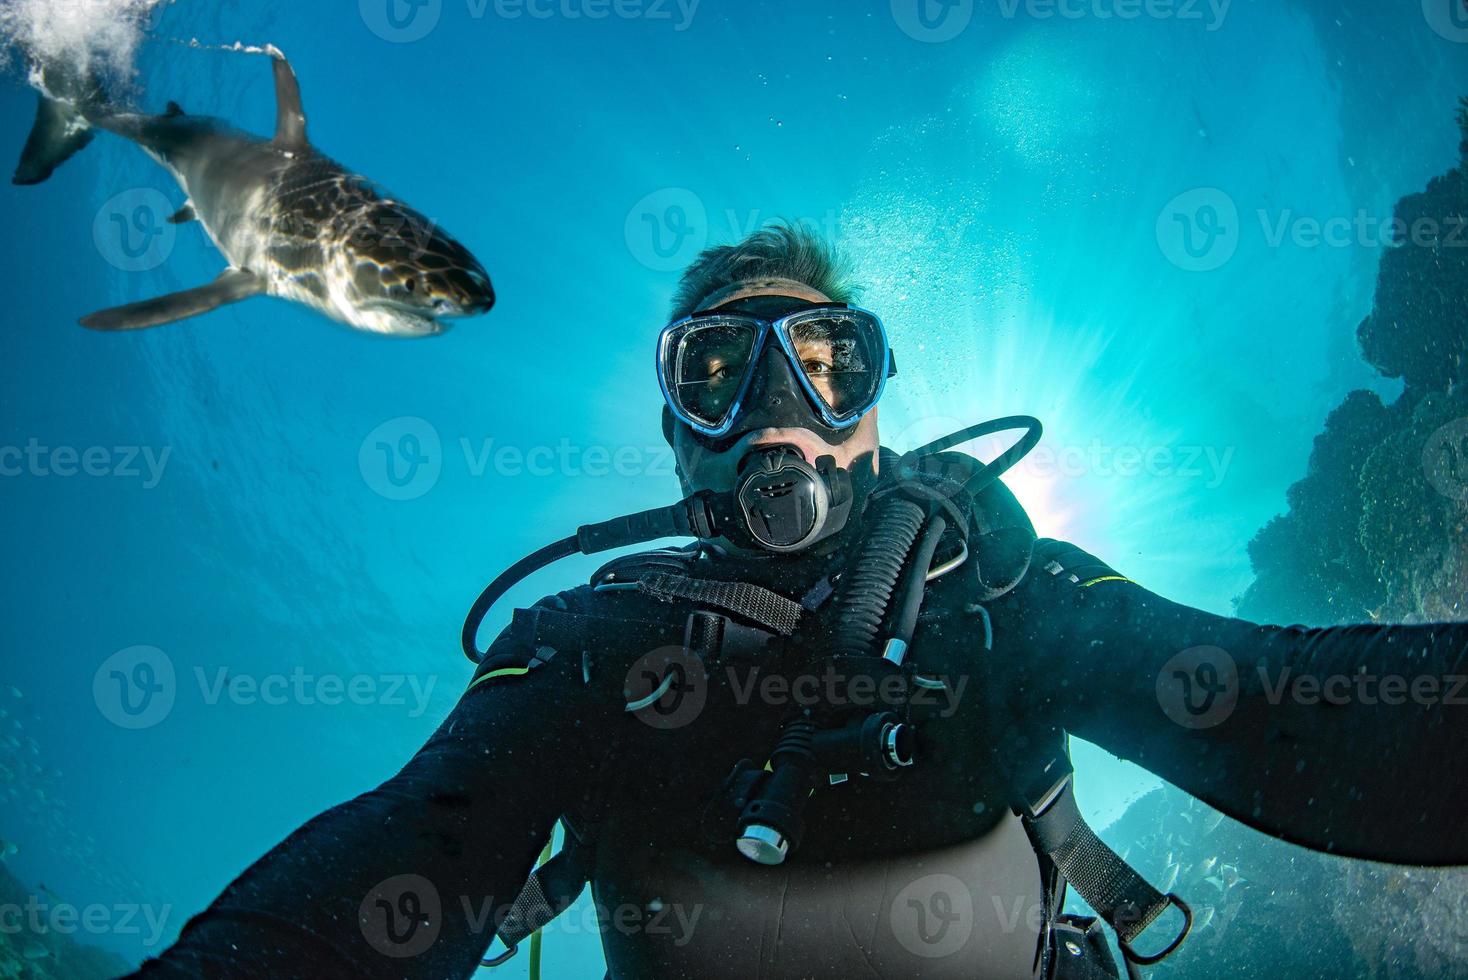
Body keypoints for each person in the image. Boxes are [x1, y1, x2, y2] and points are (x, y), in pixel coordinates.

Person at [132, 225, 1467, 980]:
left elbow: (1293, 713)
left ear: (874, 414)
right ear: (677, 432)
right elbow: (408, 850)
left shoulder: (996, 596)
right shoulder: (591, 652)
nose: (781, 412)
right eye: (721, 368)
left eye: (828, 363)